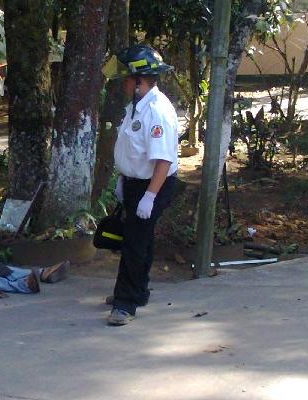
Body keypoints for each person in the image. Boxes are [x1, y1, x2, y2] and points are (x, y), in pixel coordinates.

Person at [107, 45, 179, 326]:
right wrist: (124, 180)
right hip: (136, 183)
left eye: (125, 79)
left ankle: (125, 304)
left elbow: (163, 160)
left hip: (154, 184)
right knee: (142, 240)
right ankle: (138, 291)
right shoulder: (136, 106)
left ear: (139, 81)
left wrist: (149, 196)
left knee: (134, 244)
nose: (122, 84)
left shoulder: (157, 111)